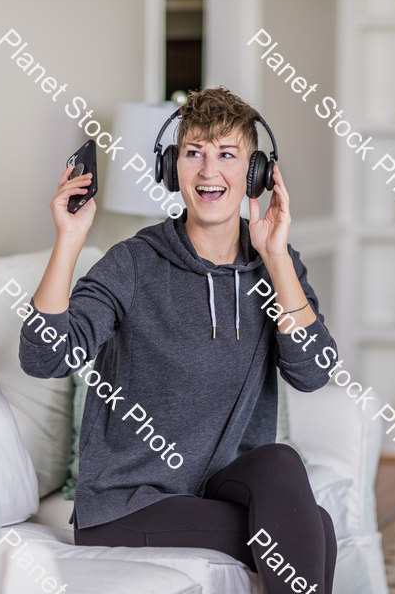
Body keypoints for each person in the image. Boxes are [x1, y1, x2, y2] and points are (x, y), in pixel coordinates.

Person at [19, 87, 338, 594]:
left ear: (256, 173)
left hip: (214, 488)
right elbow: (45, 356)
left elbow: (314, 371)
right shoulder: (134, 263)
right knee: (314, 529)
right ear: (172, 168)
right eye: (194, 154)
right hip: (128, 502)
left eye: (227, 155)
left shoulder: (276, 265)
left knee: (281, 462)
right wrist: (69, 240)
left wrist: (275, 257)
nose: (209, 172)